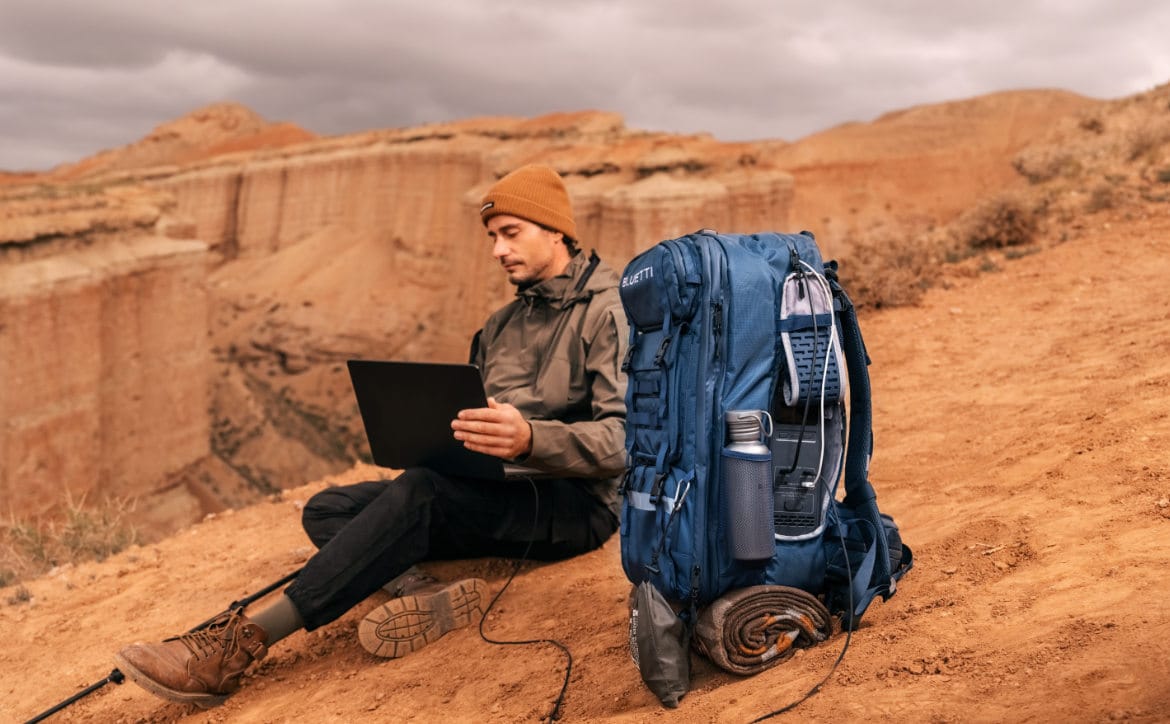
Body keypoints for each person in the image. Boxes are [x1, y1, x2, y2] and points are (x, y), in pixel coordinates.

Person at [115, 164, 630, 708]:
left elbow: (625, 442)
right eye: (491, 237)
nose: (498, 250)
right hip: (501, 486)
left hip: (576, 505)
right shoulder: (502, 324)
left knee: (421, 491)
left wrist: (530, 438)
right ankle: (428, 593)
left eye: (511, 233)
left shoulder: (608, 312)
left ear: (555, 230)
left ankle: (238, 646)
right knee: (328, 508)